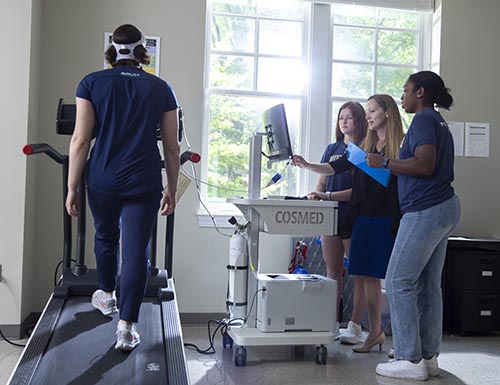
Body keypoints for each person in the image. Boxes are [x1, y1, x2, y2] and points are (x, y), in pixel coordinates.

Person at [65, 24, 180, 351]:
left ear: (113, 50)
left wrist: (72, 187)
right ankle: (127, 329)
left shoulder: (91, 82)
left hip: (102, 177)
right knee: (135, 255)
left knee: (105, 235)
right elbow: (171, 148)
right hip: (143, 180)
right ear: (144, 51)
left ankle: (107, 295)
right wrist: (172, 188)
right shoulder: (161, 88)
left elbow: (81, 139)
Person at [292, 94, 404, 353]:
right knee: (364, 275)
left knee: (377, 277)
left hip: (384, 216)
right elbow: (338, 166)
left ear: (387, 112)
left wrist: (385, 164)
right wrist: (308, 165)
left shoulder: (400, 144)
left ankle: (382, 334)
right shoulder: (368, 143)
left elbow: (399, 176)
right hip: (362, 216)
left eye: (372, 111)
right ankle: (374, 332)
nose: (368, 116)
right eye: (366, 112)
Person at [372, 71, 461, 381]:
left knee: (398, 281)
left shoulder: (423, 121)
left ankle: (410, 360)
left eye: (406, 90)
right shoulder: (437, 121)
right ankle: (428, 357)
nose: (402, 96)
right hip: (443, 207)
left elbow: (424, 165)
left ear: (420, 92)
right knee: (426, 285)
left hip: (426, 209)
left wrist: (384, 162)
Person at [306, 101, 367, 344]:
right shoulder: (332, 148)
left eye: (349, 117)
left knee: (359, 274)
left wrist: (327, 196)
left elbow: (359, 191)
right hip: (330, 216)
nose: (344, 121)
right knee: (333, 271)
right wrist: (316, 195)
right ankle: (330, 321)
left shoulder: (364, 150)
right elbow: (322, 180)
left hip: (355, 216)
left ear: (359, 121)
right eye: (341, 117)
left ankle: (354, 325)